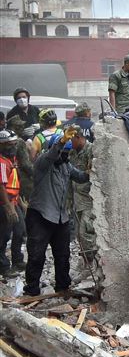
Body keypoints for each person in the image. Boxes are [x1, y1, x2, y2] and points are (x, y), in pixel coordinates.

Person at [23, 127, 88, 296]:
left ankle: (62, 287)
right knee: (36, 255)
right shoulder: (43, 163)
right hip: (40, 215)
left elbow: (81, 177)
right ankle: (32, 289)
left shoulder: (66, 166)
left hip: (60, 217)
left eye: (67, 153)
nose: (64, 157)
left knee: (63, 255)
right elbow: (52, 154)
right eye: (62, 153)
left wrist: (92, 169)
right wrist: (61, 142)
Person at [67, 117, 96, 259]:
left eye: (70, 139)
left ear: (78, 137)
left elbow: (92, 174)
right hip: (76, 200)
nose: (68, 143)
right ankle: (86, 263)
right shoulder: (72, 153)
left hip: (88, 199)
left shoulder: (91, 150)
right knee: (79, 234)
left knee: (87, 233)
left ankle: (93, 264)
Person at [0, 130, 25, 276]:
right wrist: (9, 208)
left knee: (20, 230)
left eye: (14, 144)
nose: (13, 147)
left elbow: (15, 182)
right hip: (4, 204)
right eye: (10, 144)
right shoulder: (2, 162)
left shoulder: (11, 159)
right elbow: (1, 187)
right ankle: (3, 267)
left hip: (14, 202)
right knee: (3, 236)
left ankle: (17, 260)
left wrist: (20, 202)